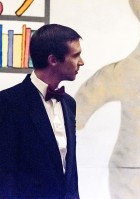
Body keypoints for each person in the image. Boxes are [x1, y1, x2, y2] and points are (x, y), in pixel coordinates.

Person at [0, 24, 84, 198]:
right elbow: (5, 174)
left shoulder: (69, 104)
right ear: (53, 60)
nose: (81, 62)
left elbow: (69, 170)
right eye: (76, 55)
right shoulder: (8, 102)